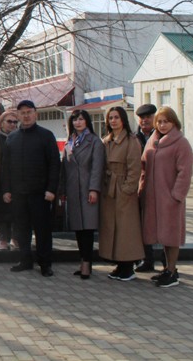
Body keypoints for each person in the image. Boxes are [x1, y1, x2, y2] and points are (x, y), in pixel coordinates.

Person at [0, 100, 60, 277]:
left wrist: (51, 189)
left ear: (35, 114)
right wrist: (6, 190)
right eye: (22, 112)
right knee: (21, 229)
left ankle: (45, 263)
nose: (25, 115)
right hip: (18, 193)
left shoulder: (46, 136)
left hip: (40, 193)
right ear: (18, 115)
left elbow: (54, 165)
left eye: (29, 112)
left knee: (42, 230)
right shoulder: (12, 138)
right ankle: (25, 260)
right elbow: (6, 167)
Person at [140, 106, 193, 288]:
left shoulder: (181, 143)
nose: (162, 125)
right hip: (153, 198)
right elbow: (143, 167)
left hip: (170, 199)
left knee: (172, 236)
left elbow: (185, 172)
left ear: (174, 122)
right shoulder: (152, 141)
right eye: (159, 122)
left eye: (166, 121)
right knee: (161, 235)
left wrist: (176, 195)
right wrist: (142, 189)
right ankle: (167, 270)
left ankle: (171, 270)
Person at [98, 106, 144, 281]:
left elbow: (134, 169)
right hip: (109, 188)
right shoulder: (107, 141)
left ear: (123, 119)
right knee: (112, 228)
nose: (113, 121)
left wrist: (127, 189)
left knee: (126, 229)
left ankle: (128, 266)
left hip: (123, 189)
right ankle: (119, 263)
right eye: (110, 118)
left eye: (116, 117)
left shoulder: (132, 141)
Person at [59, 109, 104, 280]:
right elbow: (64, 168)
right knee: (78, 228)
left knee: (87, 229)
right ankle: (82, 261)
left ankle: (87, 264)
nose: (78, 122)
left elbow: (97, 168)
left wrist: (94, 189)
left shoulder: (94, 141)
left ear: (87, 121)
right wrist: (62, 190)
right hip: (72, 190)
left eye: (81, 119)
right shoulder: (70, 141)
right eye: (75, 120)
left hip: (87, 190)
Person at [134, 103, 159, 273]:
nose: (145, 121)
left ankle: (168, 265)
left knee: (162, 226)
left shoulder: (163, 136)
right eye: (142, 118)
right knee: (141, 224)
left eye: (149, 117)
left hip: (159, 187)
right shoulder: (134, 137)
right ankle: (146, 259)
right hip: (139, 187)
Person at [0, 110, 18, 250]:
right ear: (1, 123)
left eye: (15, 122)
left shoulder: (19, 138)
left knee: (15, 212)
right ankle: (2, 238)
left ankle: (15, 237)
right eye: (9, 121)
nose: (12, 124)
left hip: (15, 182)